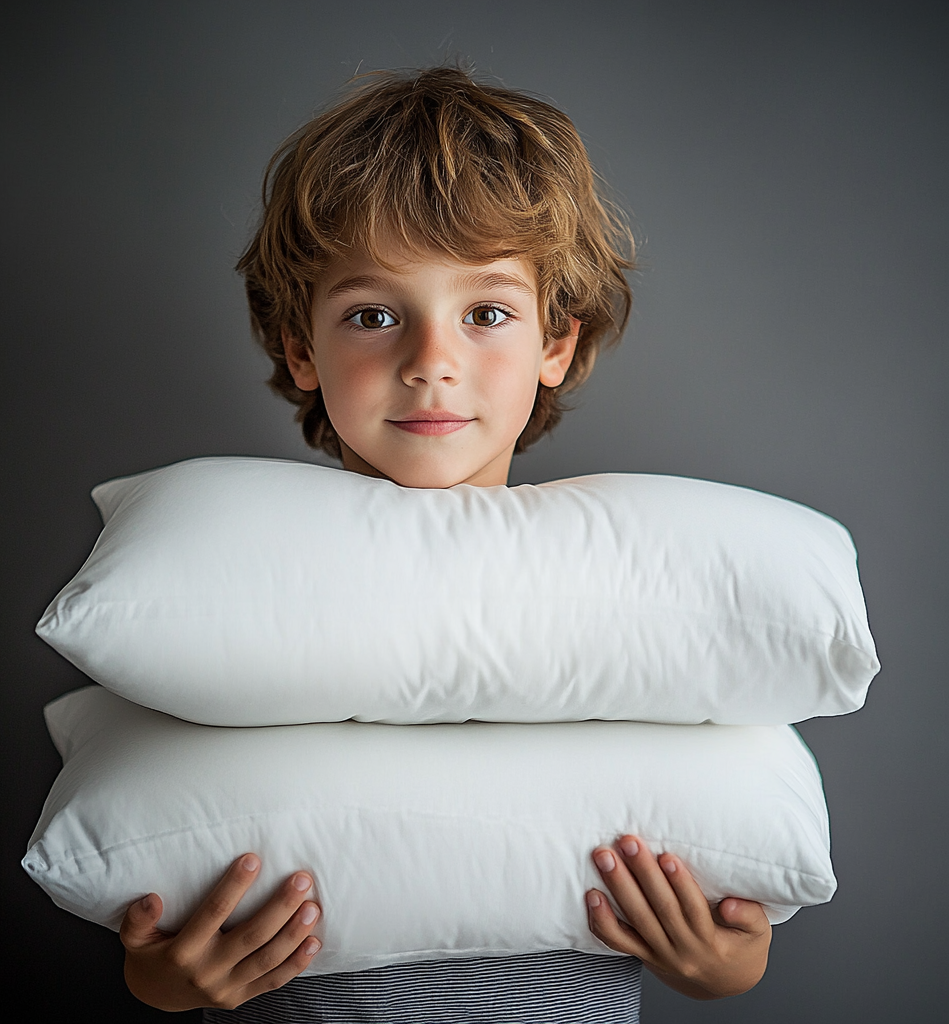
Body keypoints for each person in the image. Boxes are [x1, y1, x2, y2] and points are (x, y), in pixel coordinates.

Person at [118, 66, 772, 1021]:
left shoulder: (616, 601)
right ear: (302, 348)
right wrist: (164, 980)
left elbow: (734, 932)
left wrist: (721, 966)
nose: (432, 360)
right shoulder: (240, 592)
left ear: (558, 342)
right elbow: (151, 904)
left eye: (488, 313)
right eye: (374, 315)